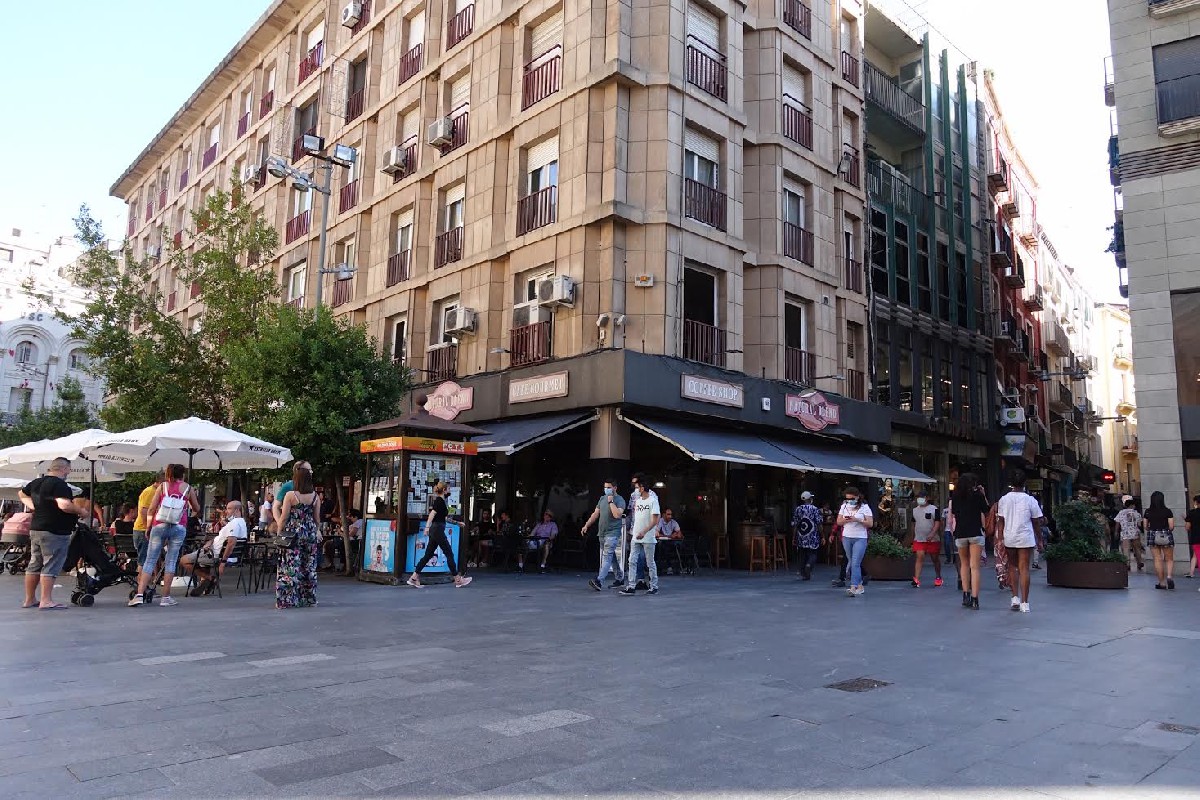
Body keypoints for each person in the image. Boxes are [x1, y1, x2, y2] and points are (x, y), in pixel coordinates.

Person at [18, 457, 86, 609]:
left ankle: (29, 599)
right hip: (55, 529)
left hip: (36, 528)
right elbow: (64, 505)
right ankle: (46, 600)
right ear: (64, 468)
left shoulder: (36, 482)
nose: (69, 472)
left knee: (35, 564)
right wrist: (81, 511)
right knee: (51, 564)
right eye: (69, 469)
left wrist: (35, 506)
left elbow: (21, 494)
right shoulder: (59, 485)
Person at [129, 463, 200, 608]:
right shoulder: (188, 488)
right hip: (178, 526)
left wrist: (149, 527)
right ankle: (166, 597)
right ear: (183, 474)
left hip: (159, 525)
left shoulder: (162, 487)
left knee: (150, 560)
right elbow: (197, 508)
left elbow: (151, 509)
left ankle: (139, 595)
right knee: (171, 561)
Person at [276, 462, 326, 606]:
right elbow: (317, 518)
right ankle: (308, 599)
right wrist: (315, 529)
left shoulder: (290, 495)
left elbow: (284, 517)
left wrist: (280, 532)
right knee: (309, 566)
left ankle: (288, 600)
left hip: (293, 533)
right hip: (309, 533)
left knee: (290, 566)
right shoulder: (315, 496)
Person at [995, 474, 1046, 613]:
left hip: (1009, 536)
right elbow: (1036, 522)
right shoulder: (1030, 500)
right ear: (1025, 483)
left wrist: (1000, 539)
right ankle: (1025, 603)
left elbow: (1001, 521)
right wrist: (1040, 540)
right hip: (1025, 537)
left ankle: (1014, 598)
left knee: (1012, 567)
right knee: (1024, 568)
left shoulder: (1004, 499)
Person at [407, 482, 472, 589]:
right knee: (449, 553)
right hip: (437, 530)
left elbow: (443, 518)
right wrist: (426, 528)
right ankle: (458, 579)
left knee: (428, 555)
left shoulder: (441, 501)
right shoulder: (439, 501)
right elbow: (432, 514)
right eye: (449, 489)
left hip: (436, 530)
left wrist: (457, 523)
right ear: (444, 490)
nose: (450, 491)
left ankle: (414, 577)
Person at [181, 500, 247, 594]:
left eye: (229, 509)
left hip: (215, 556)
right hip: (218, 553)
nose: (226, 511)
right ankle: (205, 583)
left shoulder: (234, 524)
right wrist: (210, 542)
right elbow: (223, 539)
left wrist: (223, 562)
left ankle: (210, 578)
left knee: (184, 560)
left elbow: (231, 543)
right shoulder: (241, 522)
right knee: (202, 560)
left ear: (237, 510)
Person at [951, 475, 989, 610]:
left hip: (961, 533)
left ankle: (965, 595)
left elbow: (954, 513)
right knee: (975, 567)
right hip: (975, 532)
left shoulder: (955, 497)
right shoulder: (978, 496)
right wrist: (983, 494)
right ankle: (975, 599)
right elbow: (986, 510)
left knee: (964, 564)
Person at [620, 474, 661, 595]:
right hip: (636, 535)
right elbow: (635, 518)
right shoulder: (637, 501)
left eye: (637, 487)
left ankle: (654, 586)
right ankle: (631, 586)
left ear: (642, 488)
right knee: (632, 560)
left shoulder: (653, 500)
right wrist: (632, 532)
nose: (635, 489)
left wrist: (644, 532)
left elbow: (655, 520)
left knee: (650, 562)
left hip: (648, 536)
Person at [582, 479, 626, 591]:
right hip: (602, 533)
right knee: (611, 557)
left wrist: (611, 502)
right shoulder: (602, 499)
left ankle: (599, 581)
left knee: (607, 556)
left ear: (615, 488)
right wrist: (586, 525)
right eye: (605, 487)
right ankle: (620, 578)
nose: (606, 489)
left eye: (609, 487)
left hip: (613, 532)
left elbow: (617, 515)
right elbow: (595, 514)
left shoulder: (620, 500)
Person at [837, 485, 873, 597]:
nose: (849, 501)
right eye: (847, 499)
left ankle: (853, 586)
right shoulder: (844, 506)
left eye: (852, 499)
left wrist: (858, 520)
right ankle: (860, 585)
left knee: (855, 562)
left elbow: (870, 523)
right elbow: (838, 522)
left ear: (857, 497)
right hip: (847, 536)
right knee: (851, 561)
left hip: (860, 537)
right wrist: (846, 520)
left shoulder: (864, 507)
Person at [910, 490, 944, 588]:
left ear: (927, 498)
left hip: (932, 539)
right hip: (919, 538)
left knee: (935, 558)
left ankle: (938, 576)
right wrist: (912, 537)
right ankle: (916, 579)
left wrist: (933, 533)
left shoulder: (934, 509)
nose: (919, 499)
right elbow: (913, 524)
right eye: (918, 497)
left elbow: (937, 522)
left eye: (922, 497)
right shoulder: (915, 510)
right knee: (919, 557)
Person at [1143, 490, 1176, 591]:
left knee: (1157, 559)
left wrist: (1151, 529)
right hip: (1166, 534)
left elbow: (1145, 526)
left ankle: (1162, 583)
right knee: (1169, 558)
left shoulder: (1148, 511)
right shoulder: (1168, 511)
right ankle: (1169, 576)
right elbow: (1171, 526)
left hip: (1153, 535)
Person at [791, 491, 823, 581]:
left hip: (801, 536)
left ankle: (804, 574)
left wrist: (793, 537)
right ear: (810, 499)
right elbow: (819, 524)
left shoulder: (798, 509)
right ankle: (809, 565)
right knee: (813, 553)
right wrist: (822, 536)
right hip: (813, 536)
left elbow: (795, 524)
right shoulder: (815, 509)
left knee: (802, 554)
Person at [1114, 496, 1145, 573]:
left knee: (1126, 549)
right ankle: (1139, 562)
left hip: (1125, 533)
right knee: (1137, 549)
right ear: (1132, 505)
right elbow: (1139, 525)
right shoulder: (1136, 513)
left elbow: (1117, 523)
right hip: (1135, 533)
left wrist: (1116, 532)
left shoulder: (1121, 513)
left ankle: (1127, 564)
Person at [655, 507, 684, 575]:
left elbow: (680, 534)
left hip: (670, 542)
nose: (670, 516)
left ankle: (678, 566)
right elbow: (656, 534)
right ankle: (661, 568)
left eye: (671, 514)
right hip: (661, 542)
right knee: (661, 546)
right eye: (668, 514)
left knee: (679, 545)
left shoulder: (673, 522)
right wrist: (670, 536)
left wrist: (677, 534)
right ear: (663, 515)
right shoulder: (660, 521)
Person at [1185, 495, 1200, 585]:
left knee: (1197, 555)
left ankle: (1191, 573)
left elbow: (1187, 527)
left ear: (1196, 502)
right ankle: (1191, 572)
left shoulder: (1191, 513)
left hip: (1196, 537)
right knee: (1196, 555)